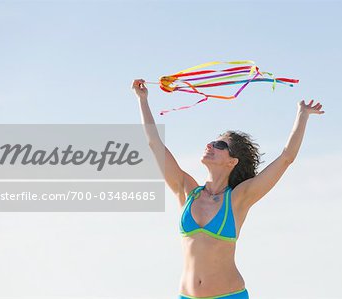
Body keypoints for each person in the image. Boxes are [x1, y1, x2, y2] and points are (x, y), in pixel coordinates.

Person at [132, 79, 324, 299]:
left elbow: (286, 158)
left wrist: (302, 115)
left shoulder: (239, 198)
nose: (210, 145)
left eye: (220, 145)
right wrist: (143, 100)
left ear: (232, 161)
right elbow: (154, 144)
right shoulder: (186, 190)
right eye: (212, 142)